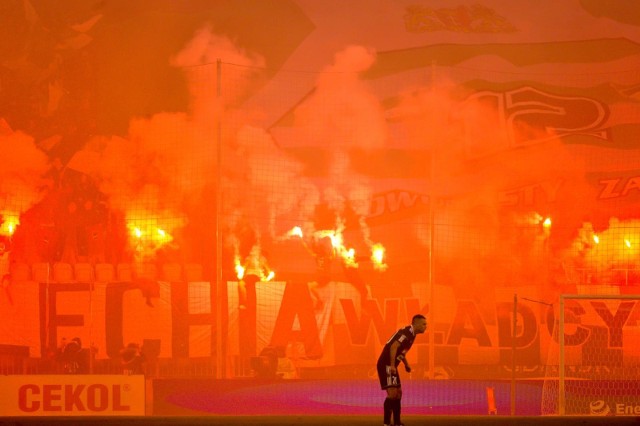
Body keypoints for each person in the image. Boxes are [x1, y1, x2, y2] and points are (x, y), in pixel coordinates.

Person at [377, 314, 427, 426]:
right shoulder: (407, 332)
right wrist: (392, 365)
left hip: (391, 365)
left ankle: (397, 422)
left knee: (398, 393)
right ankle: (386, 423)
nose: (426, 326)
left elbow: (401, 351)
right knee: (392, 394)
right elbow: (394, 347)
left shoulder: (412, 334)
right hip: (386, 365)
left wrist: (406, 364)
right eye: (424, 324)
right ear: (416, 323)